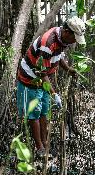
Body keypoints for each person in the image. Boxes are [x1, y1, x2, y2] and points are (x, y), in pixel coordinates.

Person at [16, 16, 86, 156]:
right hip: (30, 79)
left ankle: (45, 142)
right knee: (34, 114)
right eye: (74, 38)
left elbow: (58, 56)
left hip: (42, 79)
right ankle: (39, 147)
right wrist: (54, 94)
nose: (74, 42)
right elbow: (42, 73)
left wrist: (68, 69)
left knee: (44, 111)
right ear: (67, 31)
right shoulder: (48, 43)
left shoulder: (61, 38)